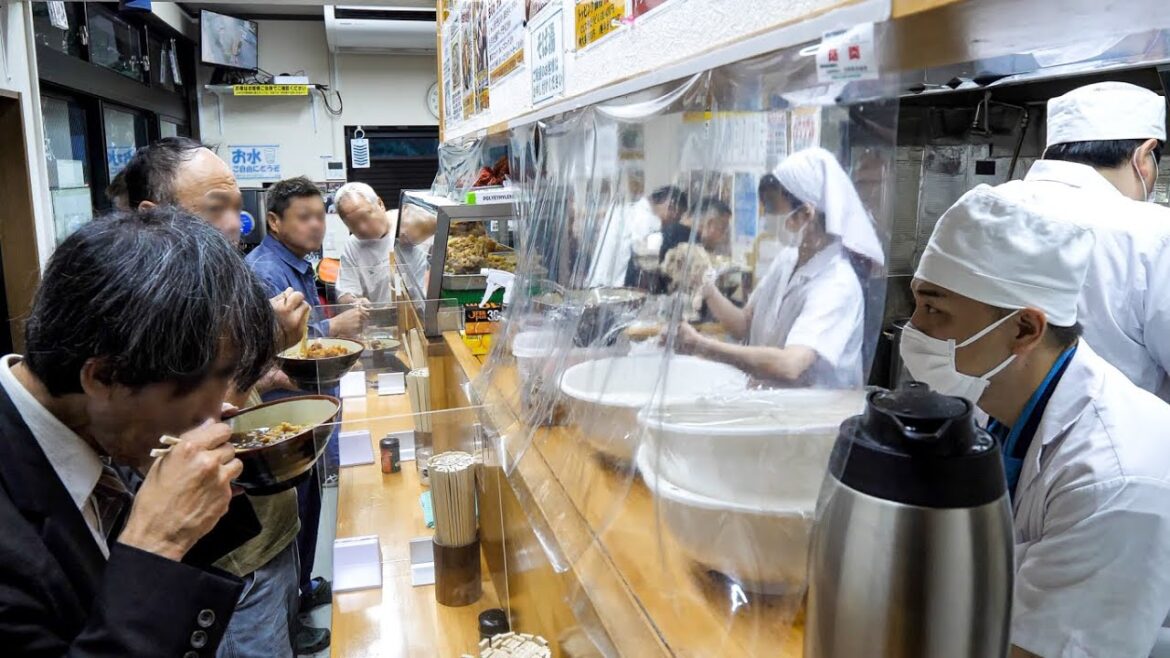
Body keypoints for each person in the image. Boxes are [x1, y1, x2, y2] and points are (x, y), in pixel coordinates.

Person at [902, 184, 1170, 658]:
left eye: (935, 309)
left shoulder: (1114, 479)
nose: (915, 330)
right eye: (917, 305)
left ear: (1025, 329)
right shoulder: (999, 400)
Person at [0, 207, 276, 655]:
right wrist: (156, 544)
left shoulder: (102, 428)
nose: (223, 408)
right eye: (217, 379)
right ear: (106, 377)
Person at [122, 139, 328, 656]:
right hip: (232, 558)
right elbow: (195, 423)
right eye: (217, 209)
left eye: (239, 208)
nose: (237, 225)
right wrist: (273, 347)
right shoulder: (151, 308)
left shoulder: (215, 284)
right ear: (153, 216)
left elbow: (238, 391)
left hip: (269, 527)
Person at [246, 176, 367, 628]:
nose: (317, 225)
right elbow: (275, 350)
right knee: (292, 513)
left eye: (321, 216)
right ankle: (292, 615)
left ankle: (302, 587)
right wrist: (336, 330)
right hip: (287, 413)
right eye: (305, 217)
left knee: (310, 504)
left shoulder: (299, 263)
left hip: (309, 408)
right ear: (274, 222)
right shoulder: (266, 272)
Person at [1005, 81, 1170, 401]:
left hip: (984, 437)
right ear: (1145, 156)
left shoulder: (987, 207)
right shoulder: (1154, 233)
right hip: (1118, 444)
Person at [676, 148, 884, 387]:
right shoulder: (787, 260)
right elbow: (745, 325)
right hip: (775, 404)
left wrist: (702, 346)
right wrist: (707, 288)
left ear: (806, 214)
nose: (766, 218)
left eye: (774, 208)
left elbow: (790, 365)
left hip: (813, 417)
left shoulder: (836, 284)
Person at [333, 182, 398, 305]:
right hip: (385, 319)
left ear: (380, 204)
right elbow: (345, 292)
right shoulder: (353, 246)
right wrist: (354, 302)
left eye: (364, 217)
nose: (361, 228)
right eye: (352, 224)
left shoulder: (405, 221)